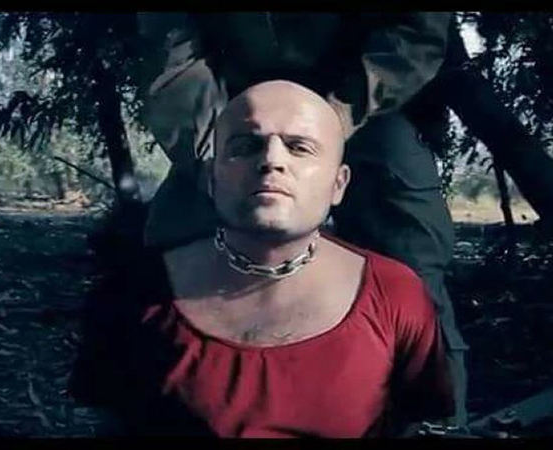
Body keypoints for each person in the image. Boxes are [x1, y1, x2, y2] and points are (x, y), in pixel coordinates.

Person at [137, 12, 470, 427]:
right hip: (236, 112)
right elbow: (172, 50)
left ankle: (438, 425)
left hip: (369, 107)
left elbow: (414, 34)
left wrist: (327, 121)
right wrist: (216, 156)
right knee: (171, 242)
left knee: (414, 261)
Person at [69, 81, 455, 437]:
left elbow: (413, 422)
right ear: (211, 178)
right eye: (246, 146)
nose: (271, 160)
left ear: (339, 184)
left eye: (299, 147)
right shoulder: (135, 291)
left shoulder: (395, 295)